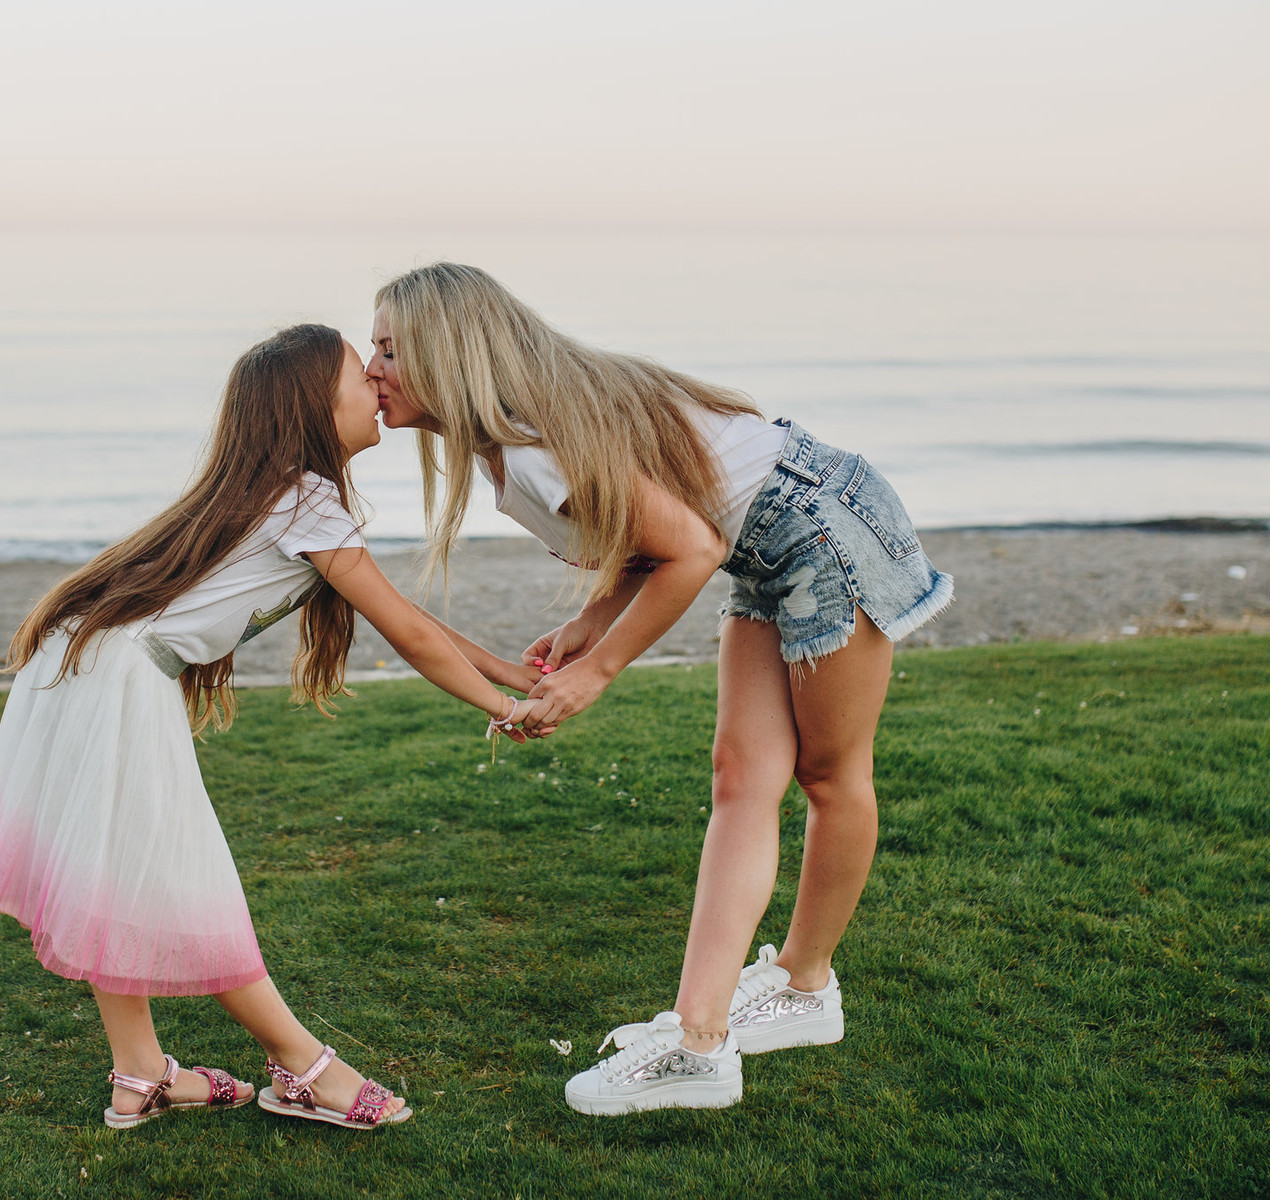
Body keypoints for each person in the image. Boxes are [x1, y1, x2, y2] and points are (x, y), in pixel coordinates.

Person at [367, 263, 953, 1114]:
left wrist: (597, 671)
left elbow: (689, 548)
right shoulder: (523, 434)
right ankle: (701, 1039)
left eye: (388, 349)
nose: (369, 367)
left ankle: (804, 984)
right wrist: (592, 622)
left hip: (821, 528)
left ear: (449, 354)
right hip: (765, 537)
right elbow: (662, 524)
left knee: (832, 776)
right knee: (741, 781)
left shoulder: (533, 445)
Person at [0, 323, 550, 1131]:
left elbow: (408, 619)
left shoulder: (282, 490)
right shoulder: (306, 498)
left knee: (120, 866)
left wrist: (513, 675)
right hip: (115, 677)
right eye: (362, 373)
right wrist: (504, 709)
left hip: (90, 664)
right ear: (315, 404)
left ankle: (140, 1073)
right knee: (178, 873)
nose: (380, 383)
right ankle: (305, 1068)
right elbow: (406, 631)